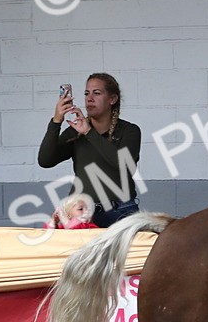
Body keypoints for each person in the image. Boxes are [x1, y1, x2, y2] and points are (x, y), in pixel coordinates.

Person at [38, 73, 143, 228]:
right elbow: (45, 161)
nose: (89, 98)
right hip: (82, 215)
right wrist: (56, 121)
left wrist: (89, 132)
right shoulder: (75, 132)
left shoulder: (129, 131)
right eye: (86, 93)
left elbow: (122, 163)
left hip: (120, 212)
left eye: (97, 93)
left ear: (112, 99)